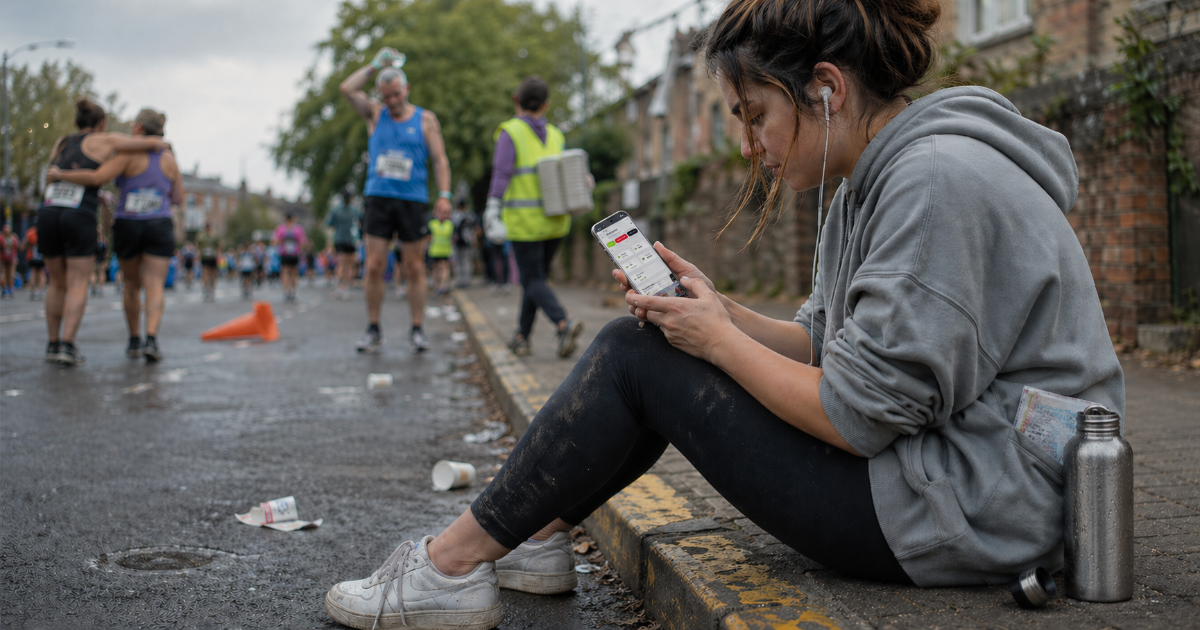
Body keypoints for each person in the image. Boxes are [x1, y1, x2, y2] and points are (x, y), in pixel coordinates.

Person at [321, 1, 1127, 628]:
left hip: (982, 504)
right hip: (955, 478)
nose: (748, 144)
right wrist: (721, 314)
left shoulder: (935, 180)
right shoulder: (871, 179)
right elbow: (823, 344)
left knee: (642, 359)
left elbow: (858, 416)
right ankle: (535, 535)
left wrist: (714, 344)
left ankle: (451, 567)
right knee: (659, 338)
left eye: (753, 115)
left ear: (827, 88)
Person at [37, 99, 168, 365]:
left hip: (49, 212)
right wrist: (158, 141)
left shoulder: (61, 141)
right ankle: (67, 345)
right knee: (76, 283)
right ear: (102, 124)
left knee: (56, 283)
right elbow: (151, 144)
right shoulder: (104, 140)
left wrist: (59, 175)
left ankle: (52, 344)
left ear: (75, 122)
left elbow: (50, 174)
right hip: (78, 214)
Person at [340, 46, 453, 354]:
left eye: (396, 95)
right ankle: (373, 328)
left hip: (413, 199)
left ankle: (417, 328)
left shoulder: (426, 120)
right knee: (374, 265)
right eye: (386, 96)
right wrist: (374, 66)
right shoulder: (375, 113)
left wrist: (444, 195)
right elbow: (347, 88)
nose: (391, 101)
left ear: (407, 89)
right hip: (378, 198)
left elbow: (440, 160)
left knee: (414, 267)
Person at [483, 76, 583, 359]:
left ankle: (563, 323)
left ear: (516, 100)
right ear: (546, 105)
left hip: (525, 223)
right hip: (556, 222)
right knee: (535, 280)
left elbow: (501, 173)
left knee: (532, 280)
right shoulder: (556, 135)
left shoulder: (510, 132)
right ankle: (521, 337)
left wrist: (492, 207)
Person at [325, 189, 362, 299]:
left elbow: (330, 224)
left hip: (341, 239)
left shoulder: (336, 210)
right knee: (347, 264)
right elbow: (359, 223)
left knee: (343, 263)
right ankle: (344, 286)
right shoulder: (354, 211)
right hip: (349, 240)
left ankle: (342, 286)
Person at [272, 211, 306, 303]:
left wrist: (282, 240)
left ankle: (286, 291)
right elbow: (303, 242)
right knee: (293, 272)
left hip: (285, 253)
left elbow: (274, 241)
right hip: (294, 254)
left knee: (286, 272)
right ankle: (293, 291)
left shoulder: (281, 228)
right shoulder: (298, 229)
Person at [451, 199, 477, 288]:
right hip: (466, 242)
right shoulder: (470, 215)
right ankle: (466, 280)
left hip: (458, 242)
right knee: (465, 261)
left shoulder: (454, 215)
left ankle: (460, 280)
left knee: (459, 262)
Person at [427, 203, 453, 294]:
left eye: (446, 212)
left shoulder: (449, 224)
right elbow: (428, 237)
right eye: (443, 212)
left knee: (445, 267)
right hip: (434, 251)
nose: (444, 214)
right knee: (435, 269)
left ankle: (442, 286)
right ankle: (436, 286)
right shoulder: (432, 223)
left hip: (445, 250)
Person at [197, 223, 221, 301]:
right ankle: (205, 290)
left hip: (213, 257)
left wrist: (218, 255)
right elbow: (199, 246)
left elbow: (219, 245)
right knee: (205, 273)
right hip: (205, 257)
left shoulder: (214, 236)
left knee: (213, 275)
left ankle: (212, 290)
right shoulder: (202, 236)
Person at [22, 223, 45, 301]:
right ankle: (41, 291)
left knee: (33, 273)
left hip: (32, 256)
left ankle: (34, 291)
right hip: (42, 256)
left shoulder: (30, 232)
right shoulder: (44, 231)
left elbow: (23, 245)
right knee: (41, 274)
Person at [0, 224, 19, 298]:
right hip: (3, 258)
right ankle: (5, 288)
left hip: (11, 258)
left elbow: (15, 249)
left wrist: (15, 258)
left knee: (11, 274)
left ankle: (10, 287)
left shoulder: (13, 237)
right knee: (4, 273)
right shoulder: (1, 238)